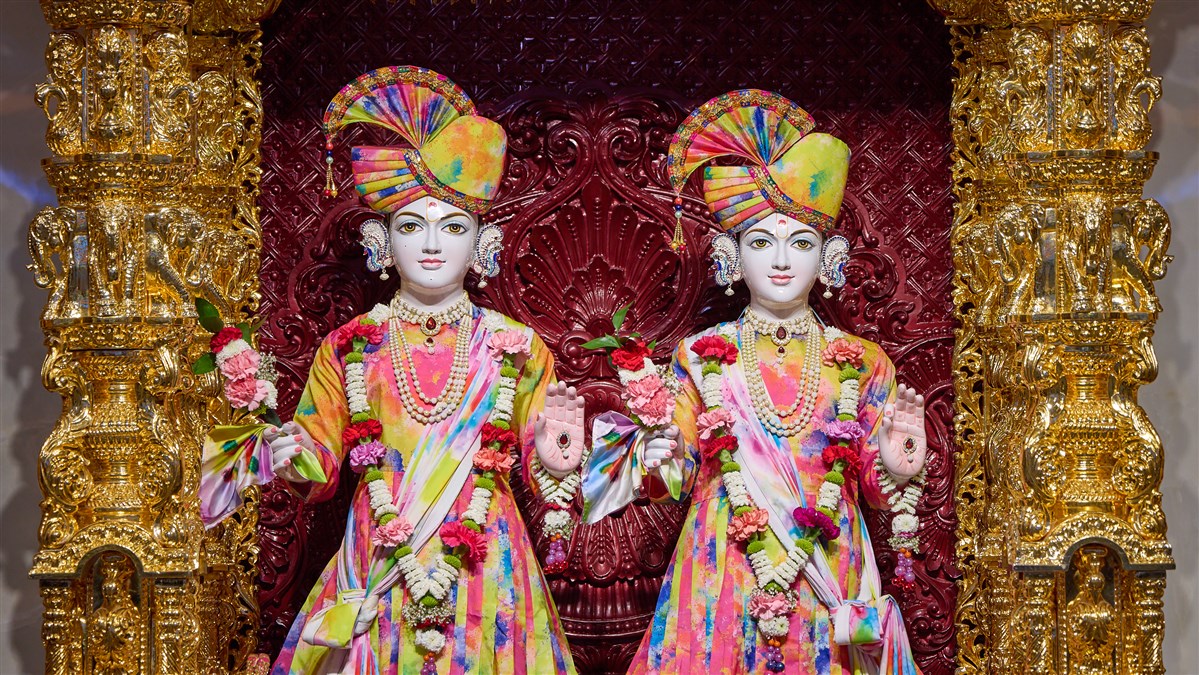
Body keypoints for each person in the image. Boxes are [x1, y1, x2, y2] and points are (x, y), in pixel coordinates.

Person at [584, 90, 927, 675]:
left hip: (827, 565)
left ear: (829, 257)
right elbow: (672, 478)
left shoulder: (865, 362)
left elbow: (873, 488)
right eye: (761, 242)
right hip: (723, 567)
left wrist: (894, 467)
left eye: (801, 243)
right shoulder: (699, 356)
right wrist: (655, 452)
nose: (781, 261)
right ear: (731, 256)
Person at [268, 66, 584, 675]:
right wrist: (292, 455)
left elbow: (546, 474)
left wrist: (555, 465)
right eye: (411, 226)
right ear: (381, 242)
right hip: (380, 563)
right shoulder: (349, 347)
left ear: (482, 243)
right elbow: (320, 469)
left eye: (453, 227)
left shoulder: (517, 347)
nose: (432, 244)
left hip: (486, 567)